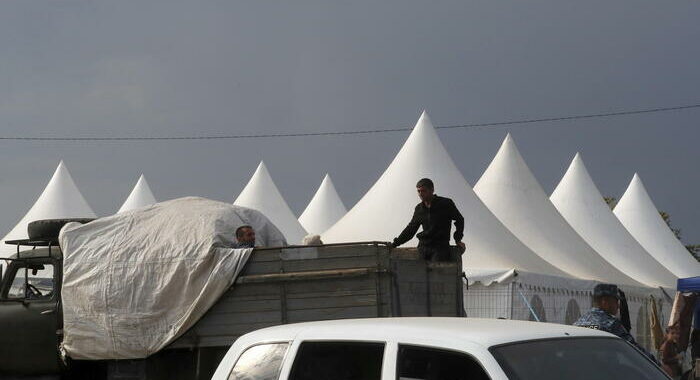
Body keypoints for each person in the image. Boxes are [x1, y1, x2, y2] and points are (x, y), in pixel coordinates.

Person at [574, 283, 656, 361]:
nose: (618, 305)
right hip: (606, 371)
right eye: (615, 301)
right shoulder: (611, 324)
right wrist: (657, 365)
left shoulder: (578, 323)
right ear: (604, 301)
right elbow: (634, 350)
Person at [391, 178, 465, 262]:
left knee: (436, 271)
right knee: (416, 270)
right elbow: (410, 229)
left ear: (432, 190)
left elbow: (459, 219)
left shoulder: (445, 203)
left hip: (440, 247)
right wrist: (395, 243)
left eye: (423, 191)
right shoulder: (419, 209)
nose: (420, 194)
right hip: (423, 246)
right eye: (418, 191)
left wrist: (458, 239)